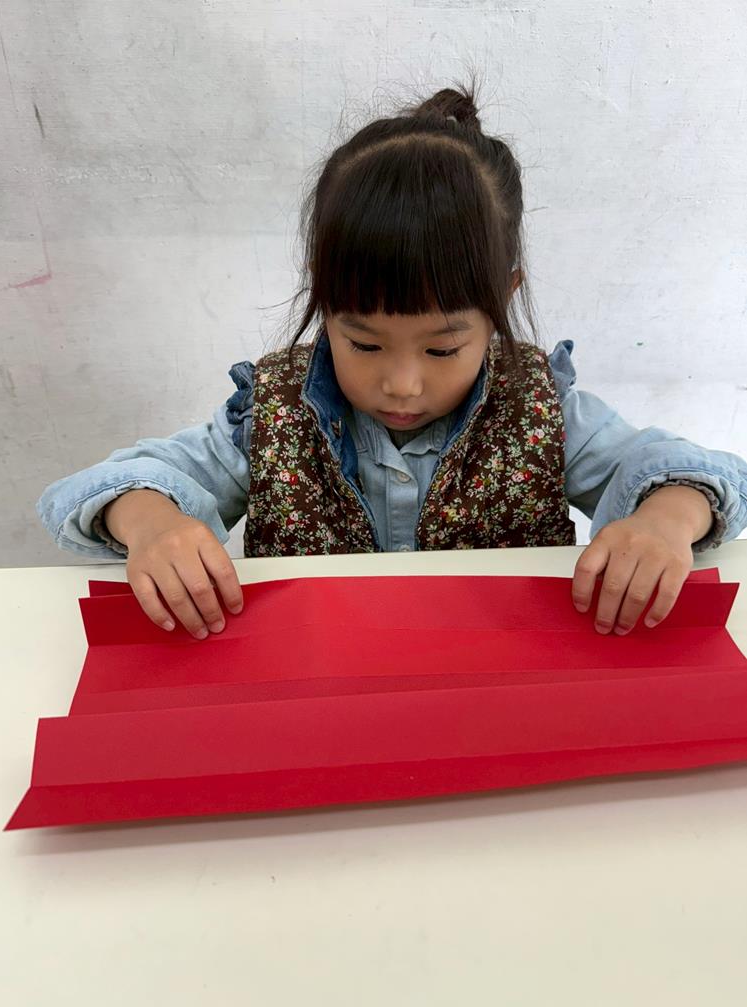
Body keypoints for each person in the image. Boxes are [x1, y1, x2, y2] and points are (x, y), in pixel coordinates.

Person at [37, 81, 747, 643]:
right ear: (324, 296)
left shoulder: (542, 410)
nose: (401, 384)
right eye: (364, 344)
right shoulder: (272, 416)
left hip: (500, 685)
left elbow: (695, 472)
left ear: (502, 300)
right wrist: (150, 523)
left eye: (442, 348)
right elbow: (104, 487)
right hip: (312, 686)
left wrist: (666, 519)